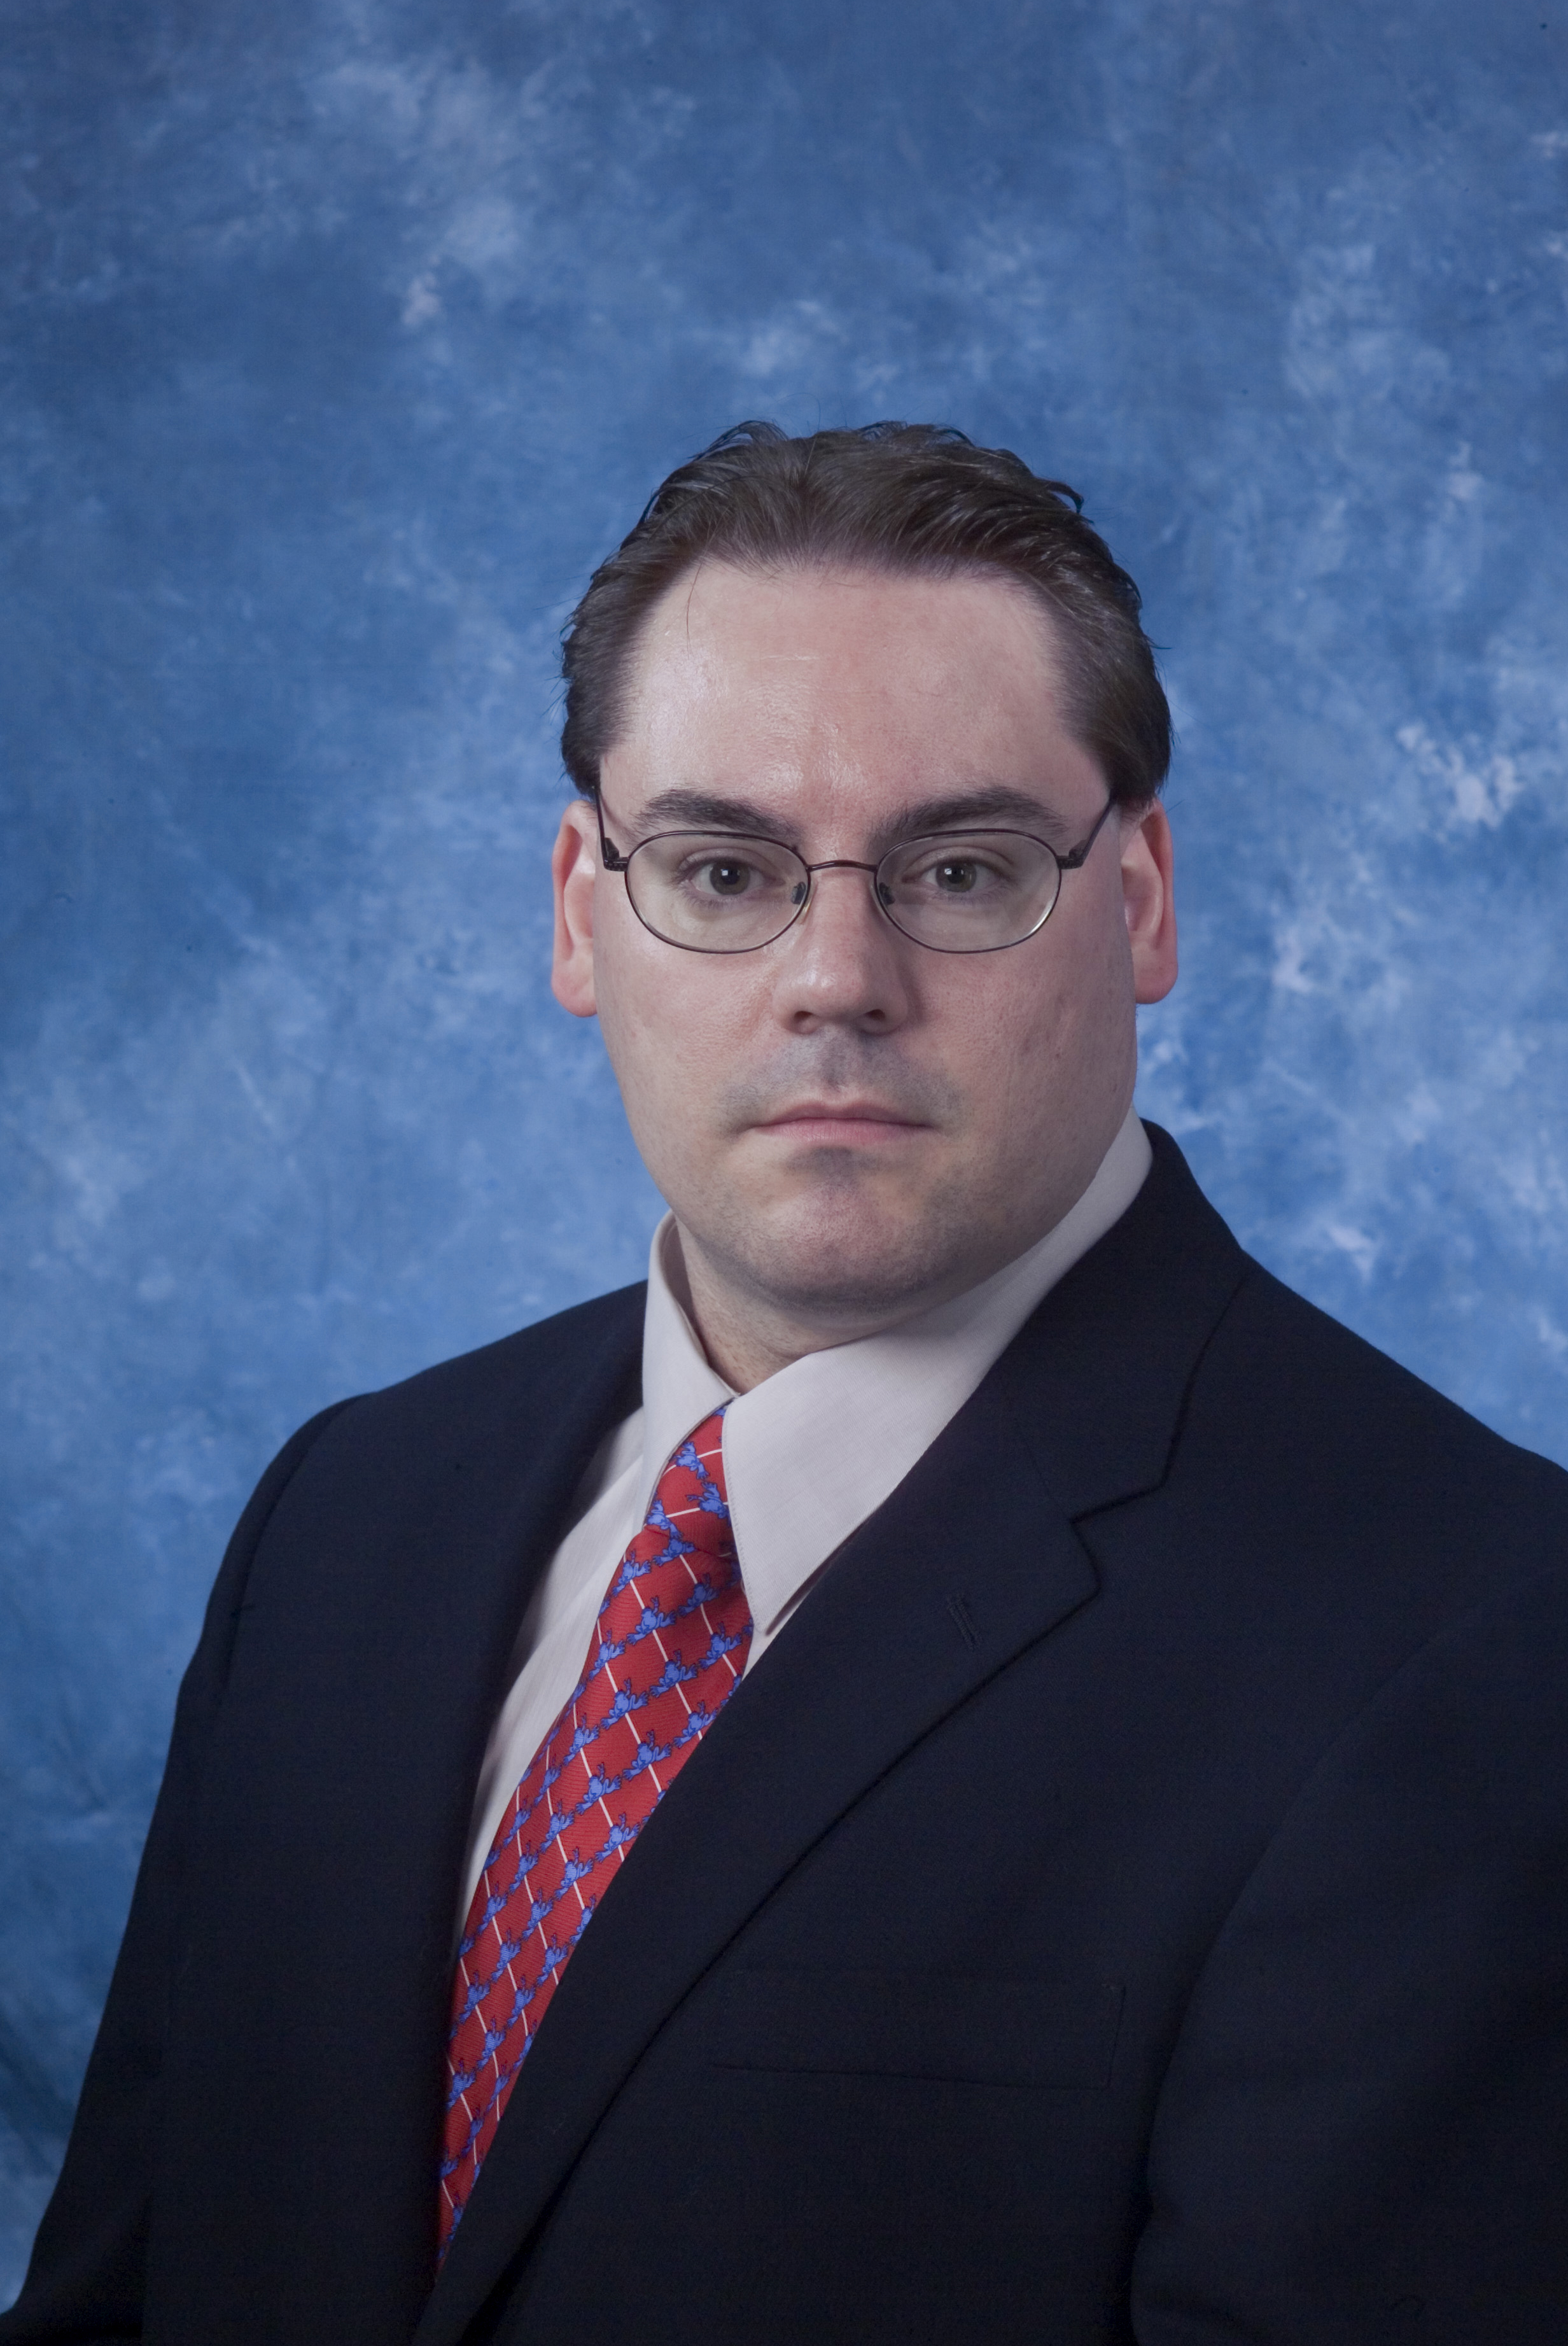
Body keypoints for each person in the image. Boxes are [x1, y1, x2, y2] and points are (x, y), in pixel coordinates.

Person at [5, 423, 1565, 2346]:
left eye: (965, 868)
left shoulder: (1474, 1636)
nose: (837, 976)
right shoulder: (347, 1518)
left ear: (1144, 899)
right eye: (724, 868)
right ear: (580, 912)